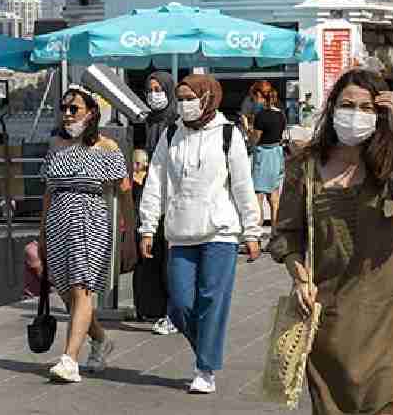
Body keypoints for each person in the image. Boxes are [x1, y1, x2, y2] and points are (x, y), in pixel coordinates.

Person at [268, 68, 393, 415]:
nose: (356, 114)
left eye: (367, 108)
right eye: (347, 104)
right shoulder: (305, 166)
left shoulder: (388, 163)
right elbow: (286, 236)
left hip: (389, 316)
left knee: (386, 402)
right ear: (332, 108)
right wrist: (300, 277)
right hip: (331, 319)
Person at [138, 74, 261, 395]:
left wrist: (252, 230)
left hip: (220, 231)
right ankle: (207, 351)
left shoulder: (227, 134)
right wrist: (147, 225)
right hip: (180, 231)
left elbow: (243, 186)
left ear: (207, 98)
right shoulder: (171, 133)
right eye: (180, 98)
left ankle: (205, 367)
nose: (184, 104)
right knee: (178, 305)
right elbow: (156, 181)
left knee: (212, 300)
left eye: (190, 97)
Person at [39, 85, 136, 383]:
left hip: (90, 223)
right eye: (64, 109)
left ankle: (69, 359)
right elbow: (48, 192)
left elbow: (124, 191)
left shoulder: (107, 147)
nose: (67, 114)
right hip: (57, 223)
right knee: (67, 293)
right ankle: (100, 339)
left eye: (74, 109)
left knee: (82, 288)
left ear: (91, 112)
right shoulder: (55, 145)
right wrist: (41, 232)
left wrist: (130, 232)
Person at [140, 72, 179, 335]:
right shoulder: (149, 121)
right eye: (150, 90)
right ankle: (160, 308)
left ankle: (174, 313)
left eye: (159, 89)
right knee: (157, 256)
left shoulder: (176, 122)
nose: (154, 94)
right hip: (153, 196)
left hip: (173, 198)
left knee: (171, 258)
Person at [250, 85, 288, 226]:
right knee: (274, 197)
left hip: (263, 156)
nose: (253, 100)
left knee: (258, 196)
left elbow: (255, 139)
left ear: (260, 96)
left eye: (254, 97)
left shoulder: (261, 116)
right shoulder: (281, 114)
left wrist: (247, 128)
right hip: (277, 155)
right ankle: (275, 233)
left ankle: (257, 232)